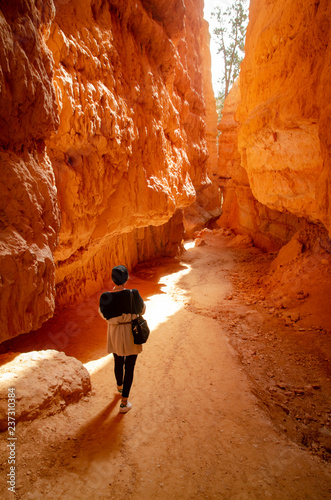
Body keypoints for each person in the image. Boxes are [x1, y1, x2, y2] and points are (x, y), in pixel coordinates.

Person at [99, 265, 145, 413]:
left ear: (113, 279)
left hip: (116, 333)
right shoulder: (133, 294)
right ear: (126, 279)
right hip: (132, 332)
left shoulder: (106, 297)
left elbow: (103, 314)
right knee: (130, 367)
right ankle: (124, 403)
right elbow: (142, 309)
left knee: (118, 361)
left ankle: (119, 387)